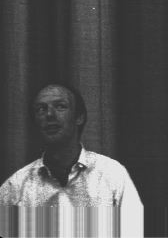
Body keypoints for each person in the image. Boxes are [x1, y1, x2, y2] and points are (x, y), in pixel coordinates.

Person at [0, 84, 143, 236]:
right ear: (35, 123)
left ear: (79, 117)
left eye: (60, 106)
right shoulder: (15, 187)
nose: (50, 114)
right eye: (41, 109)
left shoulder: (112, 174)